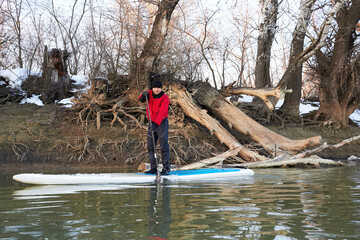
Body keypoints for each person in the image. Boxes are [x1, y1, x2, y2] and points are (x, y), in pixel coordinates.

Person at [138, 79, 170, 175]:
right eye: (155, 88)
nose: (156, 89)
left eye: (158, 88)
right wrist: (143, 95)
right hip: (151, 122)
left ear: (161, 88)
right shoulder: (149, 93)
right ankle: (153, 168)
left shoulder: (165, 98)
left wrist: (155, 124)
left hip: (161, 123)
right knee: (151, 146)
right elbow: (140, 99)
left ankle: (166, 168)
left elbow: (162, 113)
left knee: (163, 145)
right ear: (152, 88)